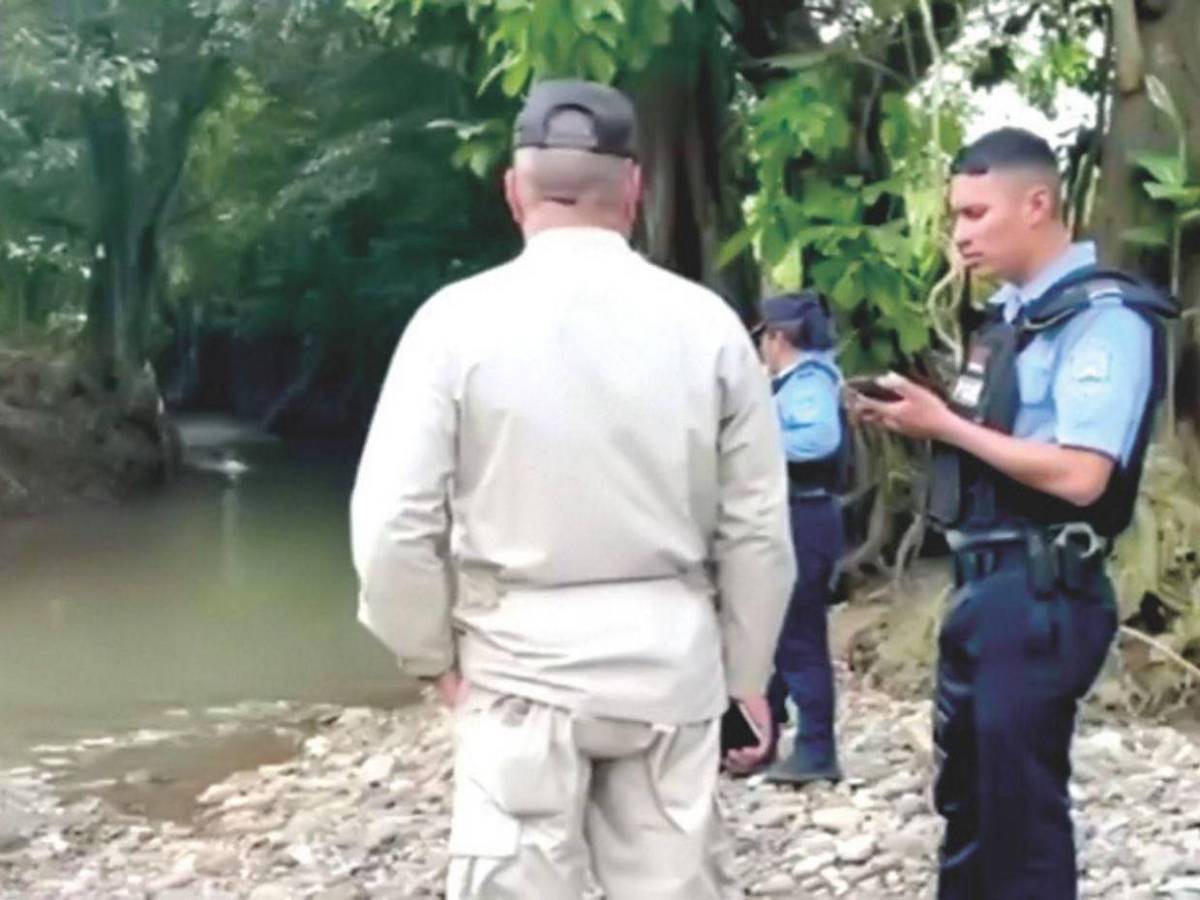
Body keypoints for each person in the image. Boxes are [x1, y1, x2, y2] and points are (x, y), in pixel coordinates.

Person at [349, 79, 795, 900]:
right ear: (634, 189)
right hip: (671, 667)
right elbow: (759, 529)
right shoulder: (710, 328)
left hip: (518, 670)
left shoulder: (452, 324)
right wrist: (746, 678)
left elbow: (392, 526)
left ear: (514, 190)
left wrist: (432, 660)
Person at [849, 128, 1177, 899]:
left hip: (1041, 593)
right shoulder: (1007, 320)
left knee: (1019, 822)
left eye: (975, 213)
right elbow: (989, 435)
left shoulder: (1103, 319)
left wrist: (946, 427)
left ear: (1037, 204)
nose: (960, 234)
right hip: (983, 589)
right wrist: (915, 419)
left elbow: (1082, 475)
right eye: (954, 216)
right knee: (967, 808)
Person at [751, 292, 848, 784]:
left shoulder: (807, 383)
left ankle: (815, 748)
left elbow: (819, 439)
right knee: (778, 631)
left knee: (797, 636)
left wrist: (751, 449)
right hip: (797, 515)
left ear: (778, 336)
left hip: (803, 516)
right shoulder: (798, 381)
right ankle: (760, 736)